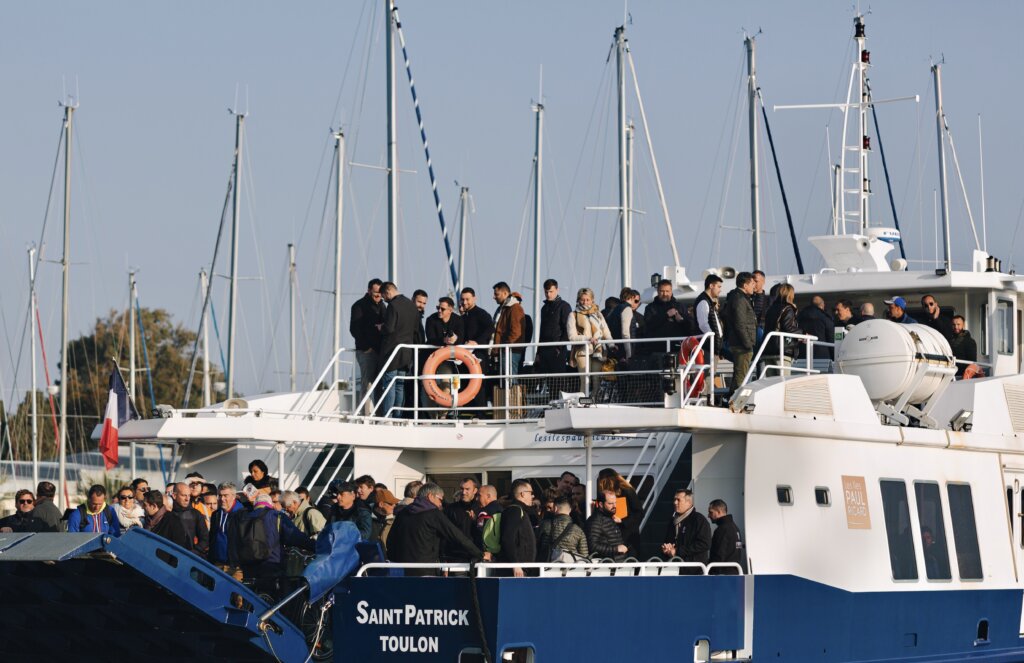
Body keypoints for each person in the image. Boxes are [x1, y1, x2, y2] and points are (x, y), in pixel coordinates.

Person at [387, 482, 482, 574]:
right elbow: (456, 536)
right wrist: (480, 554)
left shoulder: (403, 512)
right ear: (430, 496)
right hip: (425, 569)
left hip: (402, 569)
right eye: (440, 499)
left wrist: (396, 561)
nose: (441, 504)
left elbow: (390, 540)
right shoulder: (434, 514)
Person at [228, 493, 315, 579]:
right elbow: (296, 538)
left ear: (255, 505)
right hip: (272, 566)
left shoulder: (242, 518)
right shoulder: (276, 516)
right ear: (270, 504)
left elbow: (233, 543)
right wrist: (315, 546)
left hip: (248, 569)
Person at [379, 282, 419, 418]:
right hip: (406, 352)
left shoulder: (393, 305)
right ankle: (397, 416)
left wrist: (380, 327)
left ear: (388, 292)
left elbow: (389, 328)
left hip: (392, 352)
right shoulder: (411, 305)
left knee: (389, 384)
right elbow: (416, 330)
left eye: (383, 296)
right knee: (400, 385)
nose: (383, 299)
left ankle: (388, 417)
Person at [567, 287, 614, 394]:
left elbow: (606, 332)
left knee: (597, 380)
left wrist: (611, 344)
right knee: (585, 381)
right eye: (582, 299)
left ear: (592, 300)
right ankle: (583, 403)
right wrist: (587, 339)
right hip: (582, 350)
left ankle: (594, 402)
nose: (585, 302)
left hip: (598, 350)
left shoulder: (598, 314)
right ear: (578, 300)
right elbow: (572, 337)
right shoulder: (573, 315)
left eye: (588, 299)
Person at [350, 278, 385, 414]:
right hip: (366, 352)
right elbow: (354, 329)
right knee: (367, 384)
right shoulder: (359, 305)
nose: (378, 296)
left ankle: (380, 415)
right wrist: (366, 347)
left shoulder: (383, 306)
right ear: (369, 291)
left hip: (380, 351)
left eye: (381, 294)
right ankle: (365, 415)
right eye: (376, 293)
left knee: (380, 384)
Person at [723, 272, 757, 390]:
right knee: (740, 376)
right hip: (741, 345)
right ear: (745, 285)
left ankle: (731, 399)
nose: (754, 286)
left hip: (740, 343)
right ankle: (736, 403)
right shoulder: (739, 299)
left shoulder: (739, 297)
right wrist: (747, 344)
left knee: (739, 374)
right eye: (752, 283)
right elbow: (740, 323)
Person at [597, 468, 644, 553]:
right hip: (612, 534)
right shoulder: (605, 494)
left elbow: (639, 512)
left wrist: (623, 521)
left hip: (628, 535)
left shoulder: (627, 491)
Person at [661, 488, 711, 564]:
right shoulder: (673, 521)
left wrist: (677, 551)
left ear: (688, 502)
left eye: (678, 500)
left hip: (694, 570)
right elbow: (668, 541)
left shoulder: (699, 520)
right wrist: (667, 549)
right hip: (675, 568)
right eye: (674, 499)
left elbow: (704, 544)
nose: (675, 502)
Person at [761, 283, 801, 376]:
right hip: (782, 350)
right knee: (783, 382)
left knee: (771, 384)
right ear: (791, 294)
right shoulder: (788, 308)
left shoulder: (770, 309)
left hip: (768, 350)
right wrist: (803, 333)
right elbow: (788, 327)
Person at [536, 279, 572, 376]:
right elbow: (542, 332)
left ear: (557, 290)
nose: (548, 294)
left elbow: (567, 329)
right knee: (547, 381)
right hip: (544, 350)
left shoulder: (564, 306)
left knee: (558, 380)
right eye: (546, 292)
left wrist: (559, 348)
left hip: (557, 351)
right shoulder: (544, 308)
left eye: (551, 291)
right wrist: (538, 353)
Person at [537, 495, 589, 562]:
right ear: (570, 510)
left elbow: (536, 546)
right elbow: (584, 557)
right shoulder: (578, 530)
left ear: (555, 508)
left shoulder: (545, 525)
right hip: (570, 569)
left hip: (547, 569)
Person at [491, 282, 527, 375]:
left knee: (510, 380)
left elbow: (516, 332)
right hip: (503, 351)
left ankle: (512, 390)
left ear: (505, 293)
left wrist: (505, 348)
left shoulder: (514, 308)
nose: (494, 297)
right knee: (505, 380)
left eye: (496, 294)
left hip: (510, 351)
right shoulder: (502, 309)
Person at [644, 279, 690, 349]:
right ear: (657, 291)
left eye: (667, 291)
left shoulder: (680, 306)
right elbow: (649, 325)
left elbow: (689, 325)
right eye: (662, 291)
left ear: (671, 292)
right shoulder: (650, 308)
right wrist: (666, 315)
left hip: (677, 347)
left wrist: (681, 319)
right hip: (657, 348)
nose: (665, 294)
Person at [443, 477, 480, 562]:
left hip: (477, 557)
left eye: (467, 489)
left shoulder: (481, 509)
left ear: (475, 490)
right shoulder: (451, 509)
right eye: (462, 489)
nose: (463, 492)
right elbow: (445, 534)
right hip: (456, 557)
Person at [585, 490, 629, 561]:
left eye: (615, 502)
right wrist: (616, 549)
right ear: (601, 504)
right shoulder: (595, 521)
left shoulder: (610, 517)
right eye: (610, 503)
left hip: (618, 564)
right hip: (608, 567)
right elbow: (592, 546)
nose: (614, 506)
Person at [210, 482, 245, 566]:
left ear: (234, 496)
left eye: (226, 495)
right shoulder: (216, 514)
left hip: (235, 566)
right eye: (220, 495)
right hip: (217, 563)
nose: (222, 499)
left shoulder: (243, 514)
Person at [174, 482, 210, 556]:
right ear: (174, 495)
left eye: (189, 495)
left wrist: (193, 552)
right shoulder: (168, 513)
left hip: (191, 557)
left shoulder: (196, 514)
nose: (187, 499)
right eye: (183, 495)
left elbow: (205, 538)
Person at [796, 295, 835, 360]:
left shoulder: (800, 316)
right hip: (822, 357)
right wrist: (834, 356)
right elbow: (831, 338)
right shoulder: (825, 318)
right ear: (822, 305)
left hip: (802, 355)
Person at [707, 499, 744, 570]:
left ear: (719, 512)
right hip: (734, 572)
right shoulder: (735, 528)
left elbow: (718, 556)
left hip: (722, 575)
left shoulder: (722, 529)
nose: (708, 515)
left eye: (710, 512)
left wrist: (709, 570)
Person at [695, 274, 725, 354]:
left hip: (713, 347)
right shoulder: (703, 302)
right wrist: (714, 339)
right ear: (711, 286)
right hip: (708, 347)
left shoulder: (709, 302)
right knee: (709, 366)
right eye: (719, 287)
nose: (720, 290)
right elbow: (703, 324)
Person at [370, 487, 400, 556]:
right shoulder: (367, 519)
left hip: (388, 561)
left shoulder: (394, 521)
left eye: (395, 503)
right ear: (381, 504)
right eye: (391, 503)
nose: (394, 505)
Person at [474, 484, 503, 552]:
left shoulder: (484, 512)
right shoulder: (502, 509)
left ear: (488, 496)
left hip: (487, 552)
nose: (476, 498)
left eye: (479, 495)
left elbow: (479, 533)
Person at [751, 270, 770, 343]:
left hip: (762, 335)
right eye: (752, 281)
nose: (753, 284)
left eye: (756, 281)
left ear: (763, 282)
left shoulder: (769, 300)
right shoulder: (746, 299)